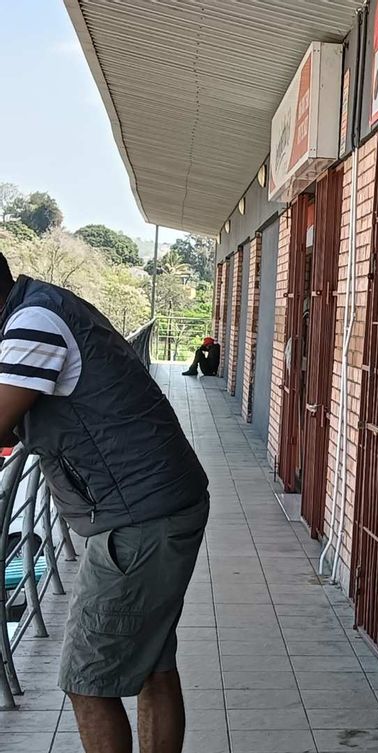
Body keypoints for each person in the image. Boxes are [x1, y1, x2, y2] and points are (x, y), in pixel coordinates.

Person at [0, 254, 209, 753]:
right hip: (156, 501)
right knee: (154, 663)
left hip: (138, 516)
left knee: (86, 679)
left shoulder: (33, 324)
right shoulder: (46, 305)